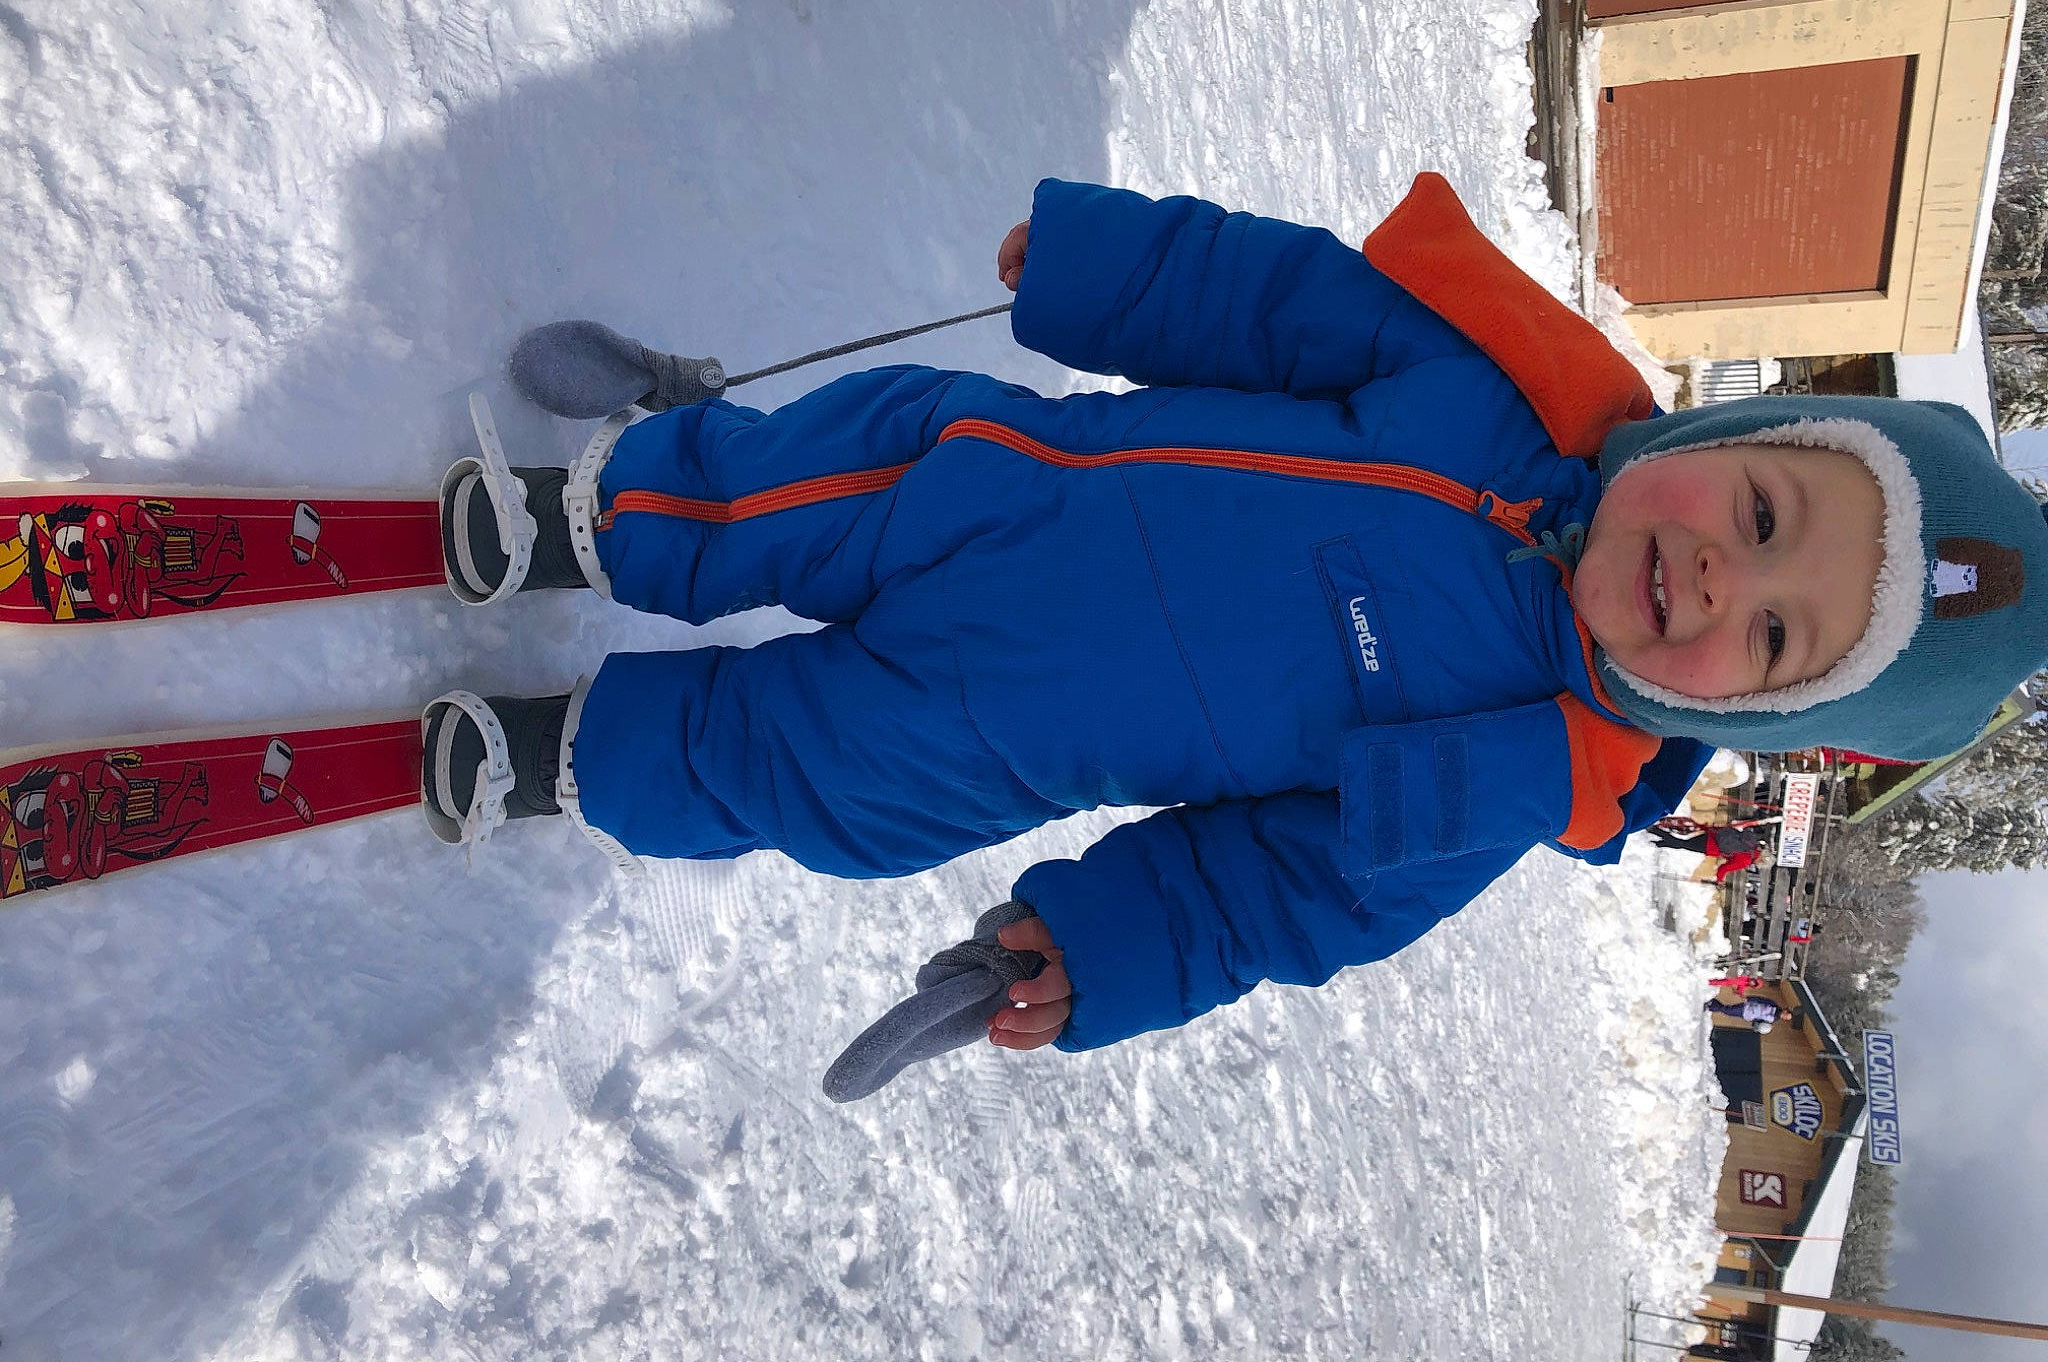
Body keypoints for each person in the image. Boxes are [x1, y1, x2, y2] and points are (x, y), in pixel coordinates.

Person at [421, 174, 2048, 1078]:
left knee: (793, 775)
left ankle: (571, 756)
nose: (1718, 584)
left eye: (1774, 643)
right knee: (818, 470)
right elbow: (1278, 303)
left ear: (1754, 720)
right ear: (1727, 450)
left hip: (989, 742)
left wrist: (1108, 953)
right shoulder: (1497, 390)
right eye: (1762, 521)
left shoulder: (1519, 772)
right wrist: (1110, 271)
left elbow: (1284, 897)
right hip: (996, 492)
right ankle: (603, 520)